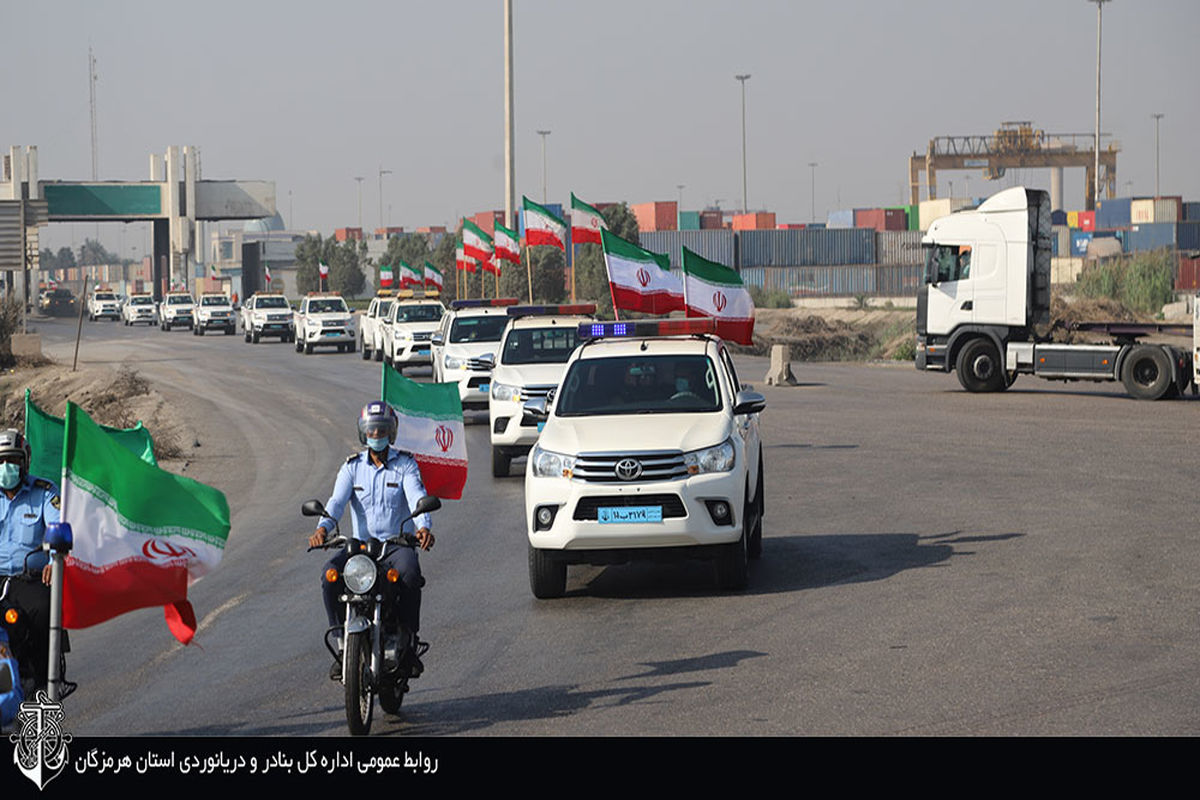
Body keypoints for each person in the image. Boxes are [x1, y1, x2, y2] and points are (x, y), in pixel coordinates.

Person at [307, 401, 433, 679]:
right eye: (372, 431)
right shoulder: (351, 468)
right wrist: (322, 529)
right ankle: (342, 647)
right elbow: (336, 503)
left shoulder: (406, 465)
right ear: (364, 434)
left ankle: (409, 643)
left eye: (382, 430)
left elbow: (417, 497)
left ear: (392, 433)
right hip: (359, 550)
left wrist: (423, 527)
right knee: (329, 575)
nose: (377, 436)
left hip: (395, 547)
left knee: (411, 575)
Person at [0, 428, 59, 690]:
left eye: (12, 460)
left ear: (25, 461)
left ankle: (42, 684)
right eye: (0, 461)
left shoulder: (44, 492)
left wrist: (54, 560)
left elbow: (59, 527)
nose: (5, 467)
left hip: (29, 579)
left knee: (43, 610)